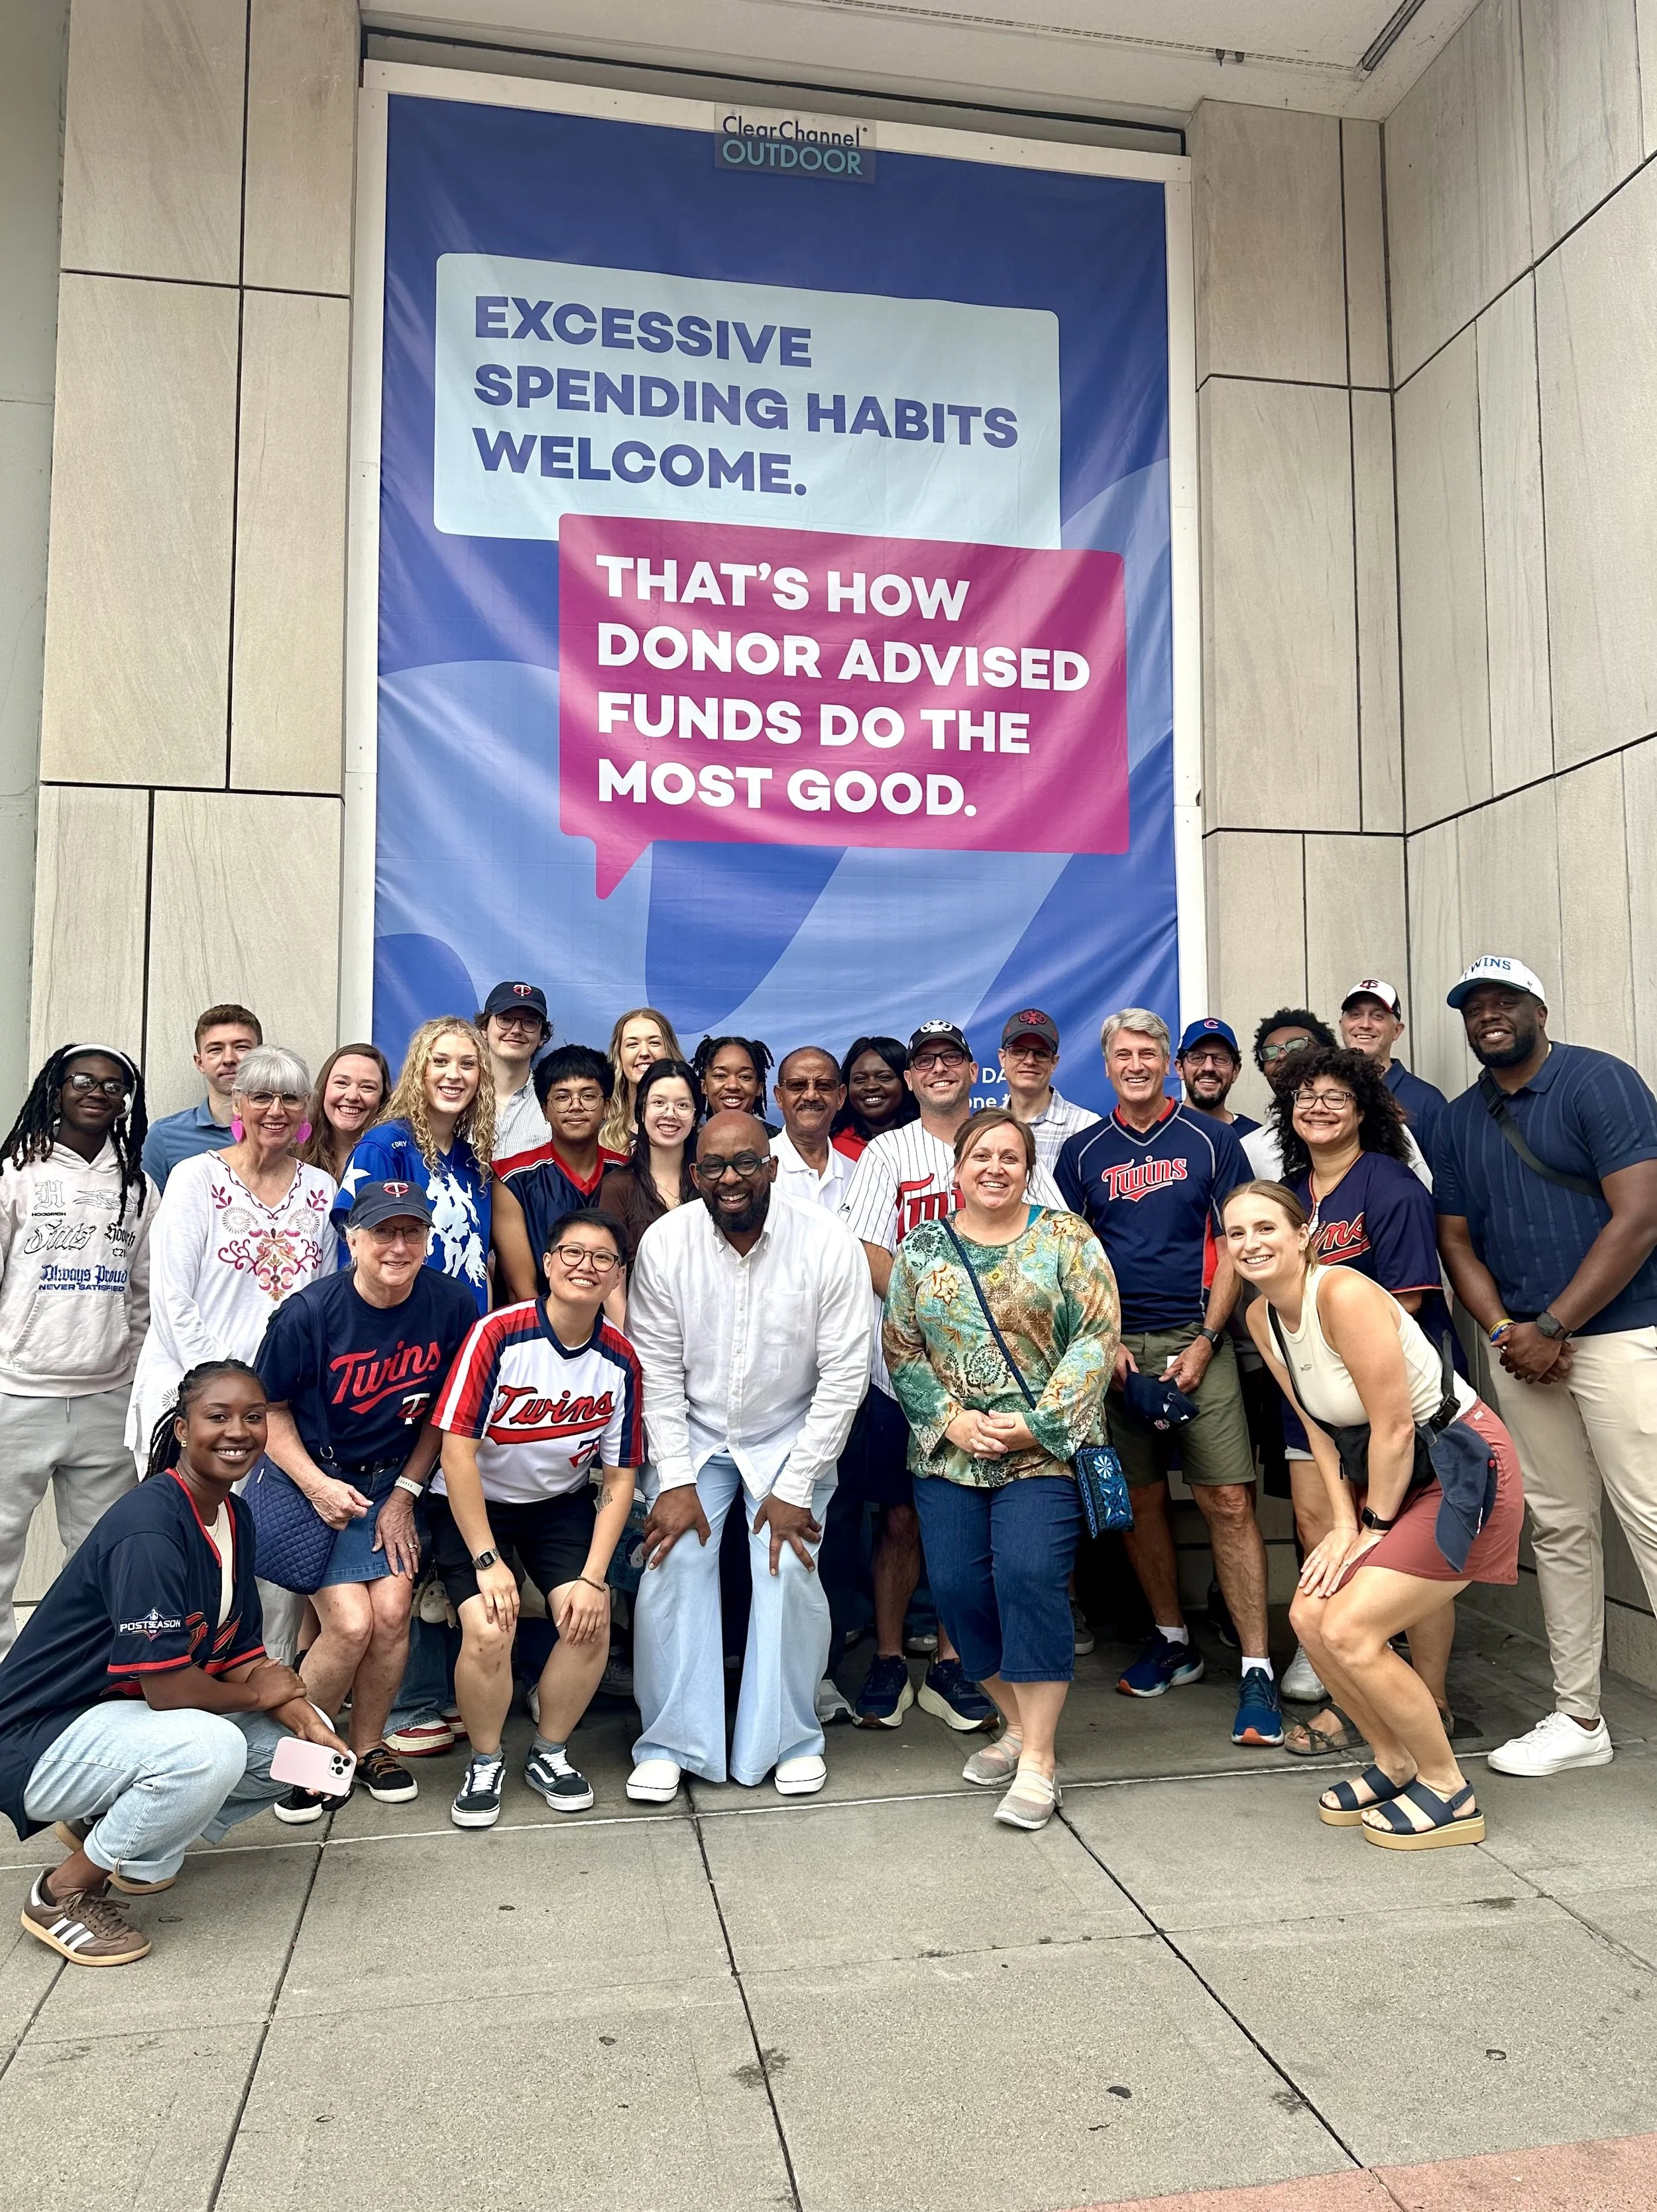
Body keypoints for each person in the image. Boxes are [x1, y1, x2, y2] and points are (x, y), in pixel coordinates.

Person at [0, 1360, 348, 1966]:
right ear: (183, 1430)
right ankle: (63, 1892)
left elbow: (239, 1651)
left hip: (122, 1727)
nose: (237, 1431)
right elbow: (167, 1689)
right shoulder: (151, 1528)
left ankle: (112, 1826)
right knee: (209, 1747)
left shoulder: (233, 1515)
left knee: (309, 1759)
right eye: (218, 1417)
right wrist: (260, 1697)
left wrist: (302, 1713)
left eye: (253, 1418)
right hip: (43, 1736)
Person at [1226, 1181, 1523, 1847]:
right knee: (1308, 1614)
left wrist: (1373, 1530)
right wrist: (1341, 1523)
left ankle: (1449, 1789)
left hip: (1457, 1468)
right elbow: (1317, 1428)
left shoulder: (1343, 1293)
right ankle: (1393, 1761)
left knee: (1354, 1628)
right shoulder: (1260, 1318)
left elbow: (1392, 1425)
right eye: (1236, 1233)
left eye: (1265, 1227)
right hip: (1382, 1480)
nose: (1250, 1243)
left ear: (1302, 1234)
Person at [1435, 954, 1657, 1779]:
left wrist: (1556, 1323)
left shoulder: (1600, 1081)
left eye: (1503, 1001)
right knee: (1560, 1529)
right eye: (1472, 1006)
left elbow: (1640, 1214)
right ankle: (1578, 1716)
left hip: (1621, 1334)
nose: (1487, 1015)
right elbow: (1455, 1239)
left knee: (1652, 1517)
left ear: (1538, 1007)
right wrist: (1503, 1329)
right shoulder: (1460, 1119)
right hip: (1523, 1353)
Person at [623, 1111, 870, 1801]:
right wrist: (673, 1478)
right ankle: (672, 1741)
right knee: (676, 1558)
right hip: (695, 1435)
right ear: (694, 1172)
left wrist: (795, 1484)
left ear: (772, 1167)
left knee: (786, 1565)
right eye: (712, 1166)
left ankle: (787, 1738)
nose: (728, 1179)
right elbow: (657, 1371)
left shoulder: (826, 1242)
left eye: (743, 1164)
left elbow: (844, 1375)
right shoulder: (667, 1242)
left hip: (790, 1431)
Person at [884, 1110, 1119, 1829]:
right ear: (956, 1169)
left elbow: (1097, 1336)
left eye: (1009, 1156)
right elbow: (901, 1347)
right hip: (950, 1451)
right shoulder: (920, 1248)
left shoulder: (1067, 1238)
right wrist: (950, 1418)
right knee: (956, 1591)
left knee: (1027, 1578)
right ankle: (1015, 1726)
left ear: (1026, 1167)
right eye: (980, 1155)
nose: (994, 1166)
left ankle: (1039, 1760)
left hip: (1044, 1450)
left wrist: (1038, 1421)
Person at [1056, 1009, 1281, 1746]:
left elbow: (1234, 1242)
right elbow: (1075, 1257)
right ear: (1108, 1063)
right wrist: (1106, 1342)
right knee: (1142, 1500)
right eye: (1122, 1053)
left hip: (1196, 1338)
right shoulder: (1084, 1150)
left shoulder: (1212, 1141)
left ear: (1169, 1061)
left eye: (1148, 1051)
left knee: (1225, 1498)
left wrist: (1210, 1340)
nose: (1136, 1063)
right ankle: (1172, 1638)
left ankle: (1255, 1667)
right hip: (1115, 1346)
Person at [839, 1020, 1064, 1730]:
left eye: (951, 1058)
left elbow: (1055, 1235)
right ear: (909, 1078)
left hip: (999, 1386)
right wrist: (937, 1323)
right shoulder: (888, 1150)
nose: (938, 1068)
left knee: (968, 1524)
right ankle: (885, 1653)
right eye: (924, 1060)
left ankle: (950, 1660)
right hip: (903, 1371)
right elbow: (870, 1250)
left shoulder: (1003, 1142)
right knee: (902, 1517)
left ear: (974, 1070)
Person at [253, 1181, 477, 1820]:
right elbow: (265, 1411)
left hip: (390, 1483)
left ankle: (368, 1745)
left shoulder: (451, 1303)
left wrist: (407, 1491)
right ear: (353, 1240)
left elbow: (448, 1410)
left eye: (412, 1233)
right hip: (314, 1479)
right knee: (350, 1624)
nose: (398, 1246)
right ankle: (303, 1756)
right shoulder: (310, 1313)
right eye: (383, 1232)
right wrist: (317, 1486)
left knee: (393, 1610)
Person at [429, 1208, 642, 1826]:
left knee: (588, 1620)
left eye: (602, 1259)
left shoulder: (621, 1359)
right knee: (491, 1627)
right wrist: (488, 1560)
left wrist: (595, 1577)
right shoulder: (497, 1334)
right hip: (473, 1501)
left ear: (616, 1277)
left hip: (558, 1504)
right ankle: (486, 1759)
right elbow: (456, 1453)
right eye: (572, 1254)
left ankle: (549, 1752)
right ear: (547, 1264)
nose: (585, 1267)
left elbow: (621, 1476)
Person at [1267, 1046, 1455, 1745]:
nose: (1316, 1105)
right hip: (1311, 1400)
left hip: (1387, 1402)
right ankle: (1356, 1703)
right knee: (1325, 1539)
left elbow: (1403, 1303)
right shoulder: (1290, 1194)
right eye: (1304, 1094)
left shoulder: (1392, 1185)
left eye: (1334, 1095)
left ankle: (1429, 1699)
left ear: (1362, 1110)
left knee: (1407, 1553)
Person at [0, 1047, 155, 1653]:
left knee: (97, 1556)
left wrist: (134, 1376)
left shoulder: (139, 1184)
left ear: (126, 1101)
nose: (98, 1092)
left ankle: (69, 1679)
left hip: (105, 1398)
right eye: (83, 1081)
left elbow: (143, 1297)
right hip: (18, 1391)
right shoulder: (17, 1171)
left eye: (114, 1086)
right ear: (55, 1089)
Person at [127, 1046, 336, 1465]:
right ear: (238, 1105)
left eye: (290, 1098)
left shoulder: (322, 1189)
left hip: (277, 1408)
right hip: (192, 1395)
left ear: (305, 1111)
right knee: (185, 1526)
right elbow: (171, 1300)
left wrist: (273, 1397)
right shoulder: (195, 1178)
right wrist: (227, 1387)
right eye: (261, 1097)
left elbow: (322, 1304)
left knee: (252, 1530)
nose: (276, 1111)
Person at [335, 1018, 494, 1315]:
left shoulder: (475, 1162)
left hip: (464, 1331)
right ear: (420, 1071)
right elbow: (354, 1254)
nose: (454, 1075)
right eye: (440, 1061)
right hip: (404, 1338)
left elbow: (482, 1263)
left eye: (468, 1064)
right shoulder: (384, 1146)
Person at [494, 1045, 627, 1300]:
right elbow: (521, 1290)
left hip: (614, 1327)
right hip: (537, 1327)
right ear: (544, 1109)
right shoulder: (512, 1178)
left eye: (588, 1096)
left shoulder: (627, 1172)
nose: (575, 1106)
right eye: (562, 1097)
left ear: (607, 1106)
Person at [140, 1004, 262, 1193]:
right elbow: (149, 1215)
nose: (229, 1058)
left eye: (241, 1047)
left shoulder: (285, 1131)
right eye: (215, 1050)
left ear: (261, 1057)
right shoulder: (164, 1136)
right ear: (200, 1062)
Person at [599, 1058, 703, 1254]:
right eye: (658, 1102)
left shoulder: (710, 1181)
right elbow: (611, 1270)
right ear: (642, 1110)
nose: (670, 1114)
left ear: (695, 1117)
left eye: (682, 1105)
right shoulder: (619, 1187)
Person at [1339, 980, 1448, 1156]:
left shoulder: (1427, 1101)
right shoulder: (1324, 1093)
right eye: (1355, 1015)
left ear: (1397, 1030)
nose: (1365, 1024)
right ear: (1342, 1026)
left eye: (1378, 1016)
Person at [998, 1009, 1100, 1172]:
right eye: (1019, 1051)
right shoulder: (985, 1127)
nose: (1030, 1061)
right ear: (1003, 1058)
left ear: (1054, 1063)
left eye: (1040, 1054)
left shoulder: (1087, 1127)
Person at [1240, 1009, 1338, 1180]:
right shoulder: (1248, 1149)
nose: (1281, 1056)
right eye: (1270, 1052)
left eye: (1296, 1046)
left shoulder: (1366, 1128)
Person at [479, 981, 554, 1162]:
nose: (516, 1030)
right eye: (505, 1019)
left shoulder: (555, 1101)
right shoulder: (458, 1094)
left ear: (542, 1036)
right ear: (484, 1029)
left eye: (529, 1022)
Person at [298, 1042, 390, 1186]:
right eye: (342, 1083)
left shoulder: (396, 1162)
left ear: (382, 1098)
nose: (352, 1096)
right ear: (323, 1089)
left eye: (367, 1087)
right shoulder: (292, 1156)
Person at [771, 1046, 852, 1211]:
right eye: (797, 1085)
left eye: (824, 1086)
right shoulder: (757, 1166)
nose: (811, 1095)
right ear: (779, 1097)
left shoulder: (858, 1173)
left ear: (841, 1097)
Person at [599, 1007, 687, 1156]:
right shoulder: (600, 1130)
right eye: (633, 1044)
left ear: (669, 1051)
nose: (645, 1052)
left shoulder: (688, 1128)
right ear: (619, 1055)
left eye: (654, 1043)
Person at [830, 1035, 919, 1162]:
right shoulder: (830, 1147)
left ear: (907, 1081)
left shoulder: (933, 1138)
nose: (871, 1086)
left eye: (884, 1077)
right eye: (860, 1079)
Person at [1176, 1019, 1259, 1135]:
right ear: (1180, 1068)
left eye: (1220, 1059)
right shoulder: (1157, 1129)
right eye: (1197, 1058)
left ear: (1235, 1071)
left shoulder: (1255, 1138)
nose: (1209, 1067)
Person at [695, 1034, 779, 1134]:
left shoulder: (778, 1144)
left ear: (759, 1088)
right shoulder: (689, 1145)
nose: (733, 1085)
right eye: (721, 1076)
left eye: (745, 1077)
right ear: (704, 1087)